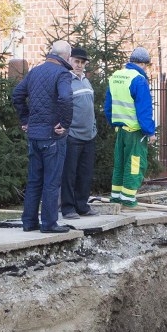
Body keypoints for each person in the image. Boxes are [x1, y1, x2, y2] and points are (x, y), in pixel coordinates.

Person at [11, 40, 74, 233]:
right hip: (52, 137)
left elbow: (17, 95)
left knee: (34, 181)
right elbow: (65, 98)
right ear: (66, 56)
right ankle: (49, 223)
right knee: (51, 181)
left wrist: (25, 119)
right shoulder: (62, 73)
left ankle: (29, 222)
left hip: (34, 136)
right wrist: (64, 124)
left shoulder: (35, 72)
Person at [104, 46, 157, 207]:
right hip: (135, 132)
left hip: (120, 130)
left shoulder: (116, 77)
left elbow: (108, 107)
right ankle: (128, 199)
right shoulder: (138, 79)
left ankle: (116, 197)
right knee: (135, 164)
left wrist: (115, 123)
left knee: (120, 163)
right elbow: (144, 109)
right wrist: (150, 132)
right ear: (143, 64)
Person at [60, 46, 97, 219]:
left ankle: (82, 205)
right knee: (69, 174)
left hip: (89, 136)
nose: (79, 65)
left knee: (85, 173)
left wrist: (94, 128)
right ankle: (68, 208)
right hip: (73, 136)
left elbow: (90, 107)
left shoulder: (86, 81)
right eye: (76, 61)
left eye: (82, 62)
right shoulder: (65, 81)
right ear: (69, 61)